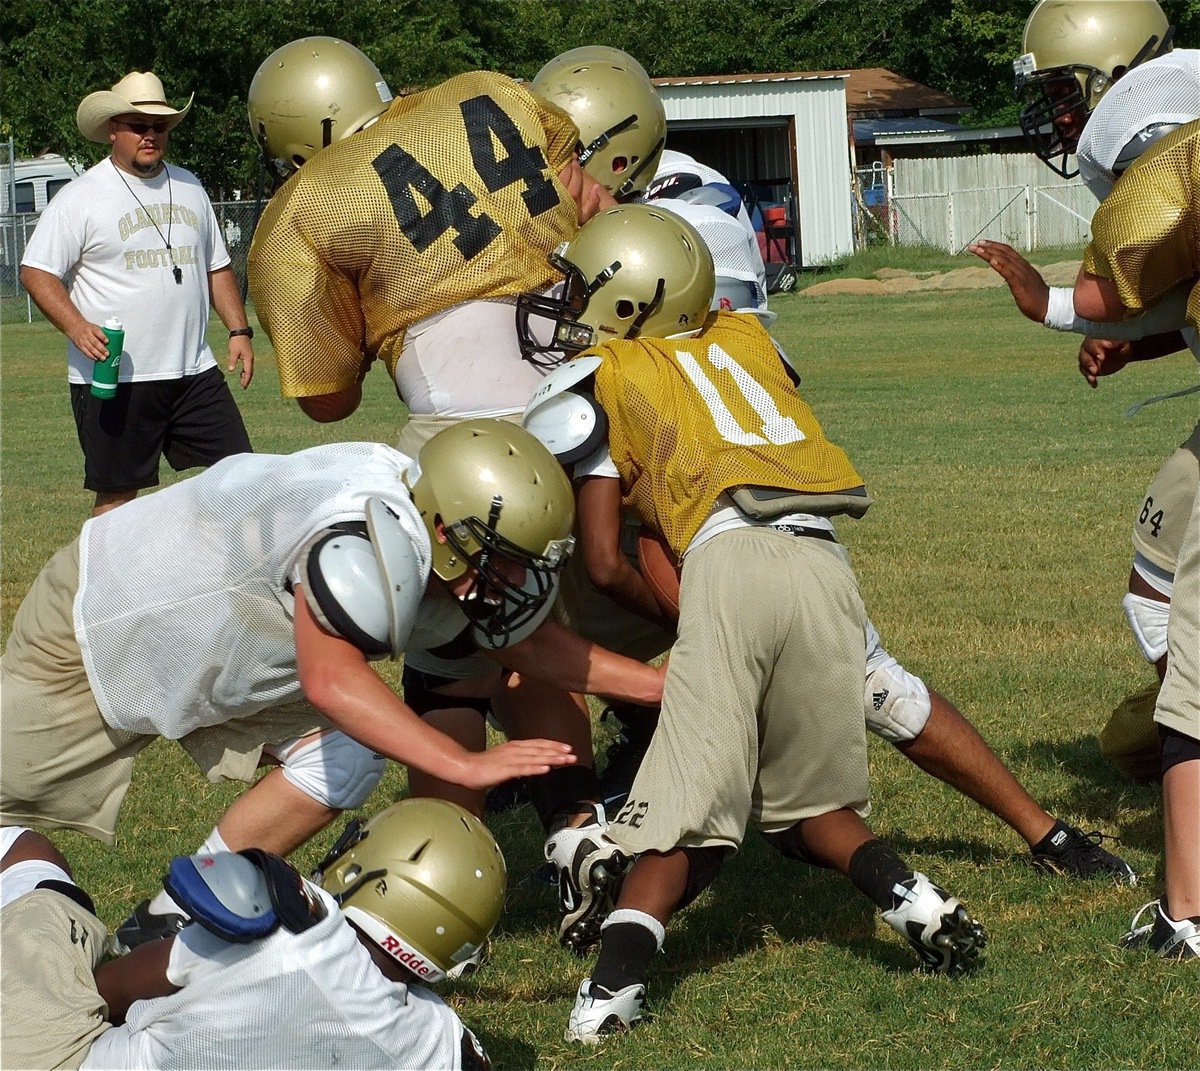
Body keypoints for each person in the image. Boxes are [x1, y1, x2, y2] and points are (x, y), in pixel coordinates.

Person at [520, 204, 992, 1041]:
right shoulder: (747, 341)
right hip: (823, 562)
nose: (566, 304)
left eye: (582, 286)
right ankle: (914, 898)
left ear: (629, 298)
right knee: (803, 798)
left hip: (729, 565)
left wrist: (687, 610)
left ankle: (606, 999)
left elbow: (601, 559)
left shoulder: (605, 374)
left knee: (682, 811)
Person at [0, 419, 664, 947]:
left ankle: (172, 916)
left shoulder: (430, 519)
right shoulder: (367, 535)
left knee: (345, 753)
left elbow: (531, 642)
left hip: (227, 640)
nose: (515, 583)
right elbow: (330, 679)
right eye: (506, 563)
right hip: (107, 625)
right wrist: (459, 759)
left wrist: (663, 687)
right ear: (442, 528)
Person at [973, 4, 1199, 774]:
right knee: (1154, 583)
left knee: (1160, 593)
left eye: (1066, 94)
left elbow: (1123, 285)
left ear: (1118, 74)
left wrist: (1051, 304)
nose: (1061, 118)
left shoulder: (1165, 141)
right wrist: (1143, 344)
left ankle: (1190, 745)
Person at [0, 797, 502, 1068]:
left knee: (28, 853)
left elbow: (105, 988)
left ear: (366, 869)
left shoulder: (288, 926)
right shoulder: (437, 1042)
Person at [1071, 117, 1200, 959]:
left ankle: (1188, 913)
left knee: (1191, 677)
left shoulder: (1184, 159)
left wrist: (1053, 307)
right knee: (1153, 589)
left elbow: (1099, 292)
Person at [19, 71, 255, 517]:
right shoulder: (81, 197)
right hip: (116, 378)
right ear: (113, 130)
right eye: (138, 125)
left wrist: (239, 330)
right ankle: (104, 587)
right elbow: (37, 271)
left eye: (159, 126)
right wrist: (76, 326)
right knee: (117, 498)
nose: (150, 134)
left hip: (193, 372)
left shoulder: (190, 185)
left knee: (243, 475)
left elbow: (216, 265)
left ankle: (230, 578)